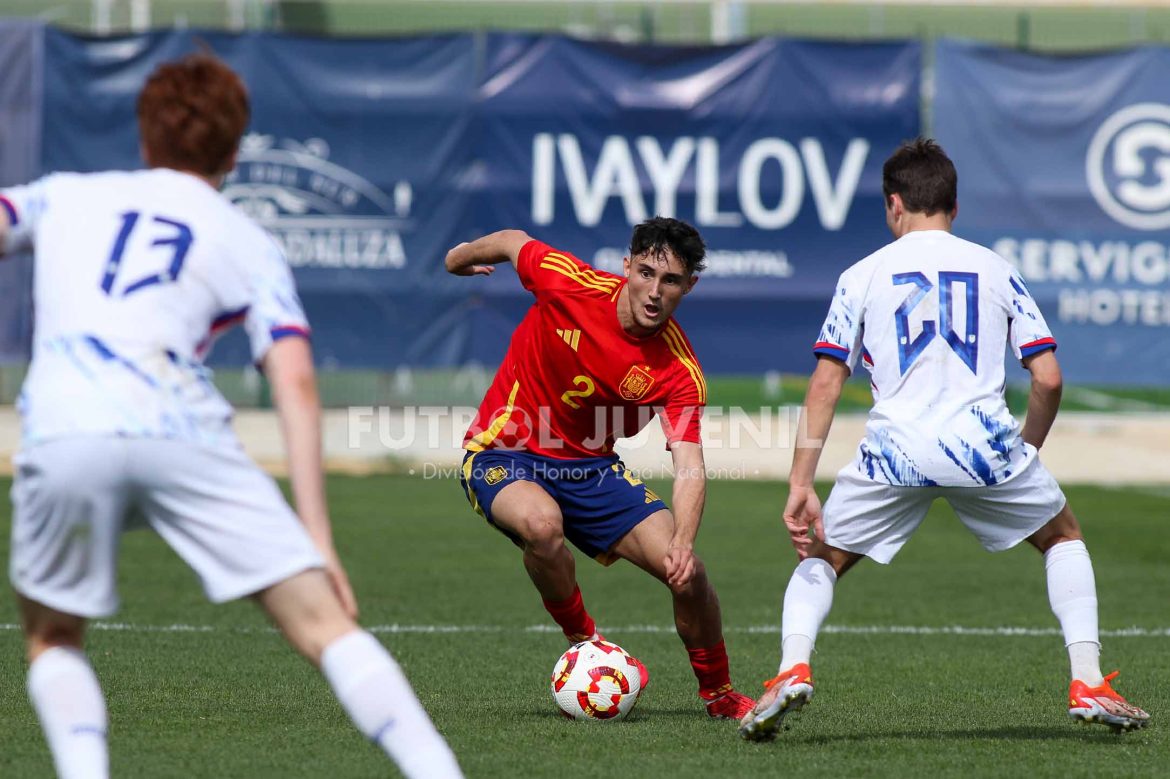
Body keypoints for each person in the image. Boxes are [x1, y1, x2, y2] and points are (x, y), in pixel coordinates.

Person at [1, 54, 462, 779]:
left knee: (54, 636)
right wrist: (318, 536)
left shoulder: (67, 195)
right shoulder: (247, 238)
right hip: (183, 431)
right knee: (325, 626)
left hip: (67, 428)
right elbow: (296, 381)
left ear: (144, 132)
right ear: (235, 150)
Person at [738, 138, 1149, 741]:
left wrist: (801, 482)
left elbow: (826, 381)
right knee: (1063, 537)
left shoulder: (862, 274)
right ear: (954, 207)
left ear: (893, 205)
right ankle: (1087, 679)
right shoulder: (996, 268)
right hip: (982, 447)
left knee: (823, 557)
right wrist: (1026, 450)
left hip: (895, 452)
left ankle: (790, 669)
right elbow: (1049, 378)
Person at [447, 218, 754, 720]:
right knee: (542, 527)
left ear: (689, 286)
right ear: (627, 265)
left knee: (690, 576)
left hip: (591, 470)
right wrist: (457, 257)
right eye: (647, 273)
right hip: (502, 451)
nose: (655, 292)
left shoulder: (678, 371)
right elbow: (510, 241)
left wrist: (683, 543)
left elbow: (690, 464)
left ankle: (719, 693)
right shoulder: (569, 282)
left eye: (671, 281)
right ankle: (584, 642)